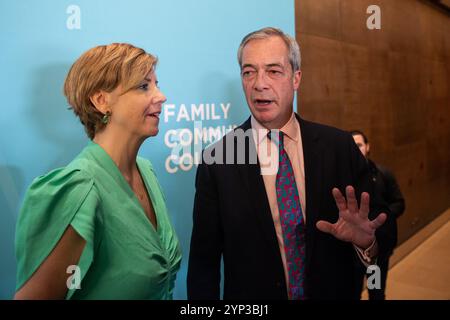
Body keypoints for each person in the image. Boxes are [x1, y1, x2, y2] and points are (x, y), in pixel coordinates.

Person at [187, 27, 395, 300]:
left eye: (273, 71)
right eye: (249, 72)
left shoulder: (340, 147)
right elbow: (204, 264)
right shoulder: (218, 160)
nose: (259, 83)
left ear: (296, 78)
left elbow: (383, 228)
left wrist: (367, 242)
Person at [15, 43, 182, 299]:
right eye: (143, 86)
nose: (161, 96)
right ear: (102, 100)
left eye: (156, 84)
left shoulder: (146, 171)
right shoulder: (78, 188)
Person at [351, 130, 405, 300]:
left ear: (367, 147)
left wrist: (380, 219)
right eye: (352, 146)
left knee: (375, 292)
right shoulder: (342, 176)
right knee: (351, 292)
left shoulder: (383, 174)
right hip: (351, 252)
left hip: (376, 252)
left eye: (359, 144)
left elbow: (399, 203)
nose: (356, 149)